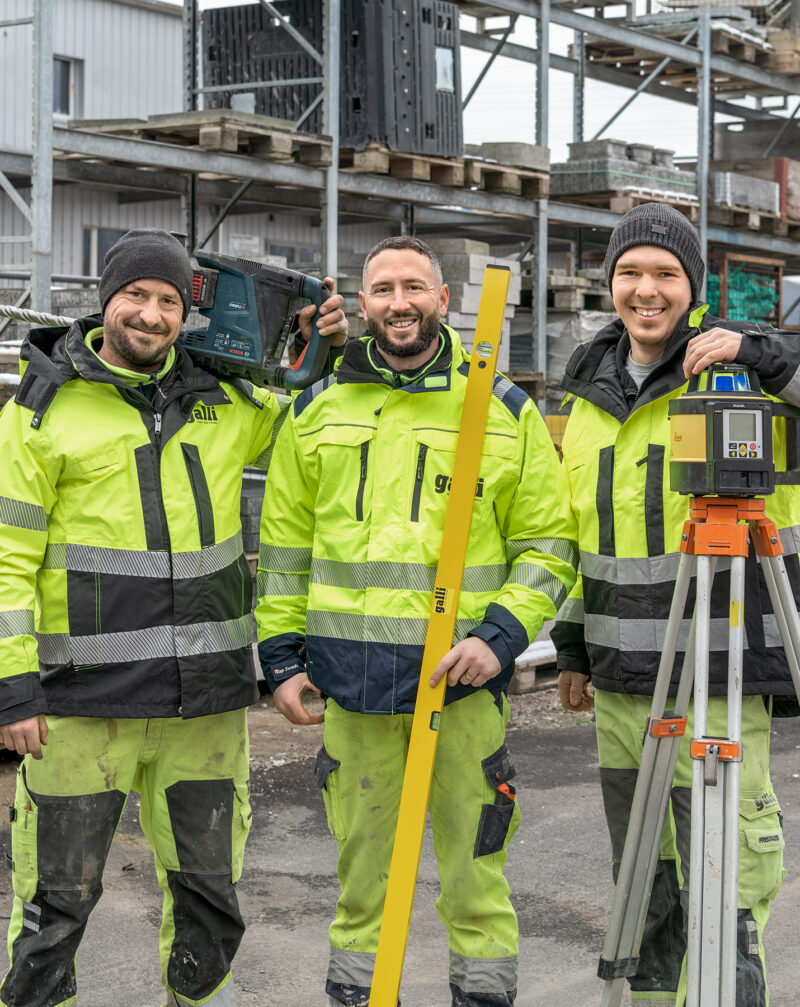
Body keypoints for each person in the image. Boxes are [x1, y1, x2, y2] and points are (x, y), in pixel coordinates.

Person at [0, 228, 347, 1007]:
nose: (150, 314)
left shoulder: (226, 401)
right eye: (136, 296)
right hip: (80, 706)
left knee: (208, 902)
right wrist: (12, 685)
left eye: (166, 300)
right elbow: (4, 558)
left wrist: (320, 348)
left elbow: (313, 423)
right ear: (106, 302)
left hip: (205, 706)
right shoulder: (41, 413)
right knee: (55, 907)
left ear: (185, 310)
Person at [255, 235, 578, 1007]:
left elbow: (549, 543)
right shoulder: (317, 410)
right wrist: (281, 659)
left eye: (414, 286)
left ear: (442, 299)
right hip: (351, 692)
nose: (399, 302)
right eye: (383, 288)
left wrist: (499, 639)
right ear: (361, 306)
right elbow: (284, 548)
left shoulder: (500, 409)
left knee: (475, 881)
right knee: (362, 885)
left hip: (459, 691)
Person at [552, 202, 800, 1007]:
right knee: (646, 886)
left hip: (720, 678)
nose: (646, 290)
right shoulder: (588, 389)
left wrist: (763, 349)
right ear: (610, 283)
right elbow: (576, 530)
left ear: (692, 285)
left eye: (664, 274)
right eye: (630, 273)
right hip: (626, 684)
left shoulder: (743, 374)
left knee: (724, 893)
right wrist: (573, 653)